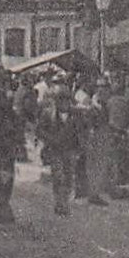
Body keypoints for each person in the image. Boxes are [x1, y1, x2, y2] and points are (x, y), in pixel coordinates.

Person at [35, 85, 82, 216]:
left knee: (68, 176)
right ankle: (59, 202)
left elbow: (80, 132)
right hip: (55, 150)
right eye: (60, 100)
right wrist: (51, 139)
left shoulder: (75, 114)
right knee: (58, 176)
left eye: (66, 100)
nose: (64, 103)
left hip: (70, 149)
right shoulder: (48, 114)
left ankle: (65, 202)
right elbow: (39, 130)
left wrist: (79, 149)